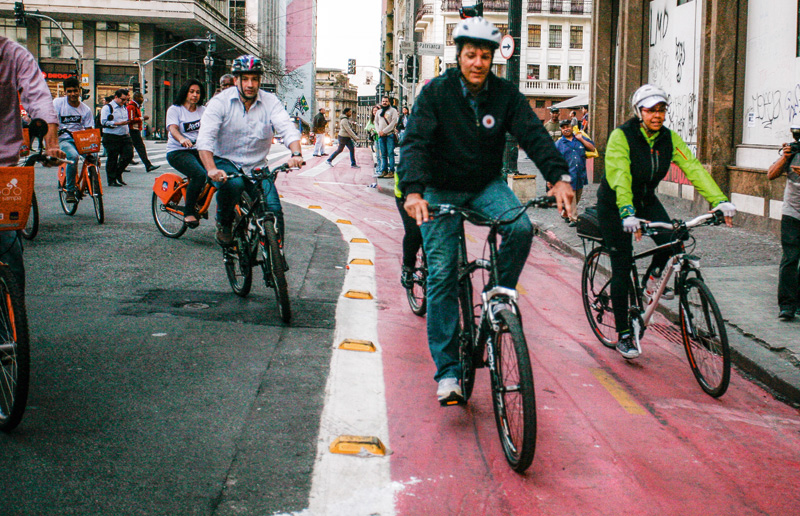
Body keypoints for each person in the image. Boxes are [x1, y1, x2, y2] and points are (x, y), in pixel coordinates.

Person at [399, 16, 573, 404]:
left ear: (493, 59)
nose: (478, 63)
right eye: (470, 55)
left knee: (521, 228)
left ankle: (498, 295)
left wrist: (558, 177)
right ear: (458, 56)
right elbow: (414, 144)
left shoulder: (505, 95)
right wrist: (413, 192)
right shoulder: (436, 93)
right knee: (442, 273)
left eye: (484, 56)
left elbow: (534, 135)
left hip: (483, 186)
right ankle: (447, 372)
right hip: (438, 189)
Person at [598, 84, 737, 359]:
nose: (657, 115)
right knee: (623, 265)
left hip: (647, 199)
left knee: (675, 240)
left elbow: (693, 168)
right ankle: (625, 334)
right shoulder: (621, 136)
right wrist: (627, 212)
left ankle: (652, 277)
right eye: (651, 110)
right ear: (639, 112)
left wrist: (719, 201)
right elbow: (620, 176)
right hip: (615, 204)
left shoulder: (669, 139)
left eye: (661, 110)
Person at [196, 55, 304, 246]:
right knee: (235, 184)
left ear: (260, 81)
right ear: (236, 80)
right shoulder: (219, 103)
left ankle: (276, 258)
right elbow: (205, 139)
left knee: (273, 209)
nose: (250, 84)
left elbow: (287, 128)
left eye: (254, 79)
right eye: (245, 79)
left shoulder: (270, 101)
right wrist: (211, 169)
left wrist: (296, 154)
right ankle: (224, 223)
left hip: (257, 166)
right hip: (225, 162)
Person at [0, 35, 65, 292]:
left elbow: (38, 96)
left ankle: (11, 325)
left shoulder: (13, 54)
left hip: (3, 163)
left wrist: (51, 144)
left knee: (10, 253)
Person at [767, 127, 800, 320]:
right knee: (790, 258)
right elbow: (771, 174)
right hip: (792, 213)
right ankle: (787, 305)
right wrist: (785, 158)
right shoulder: (792, 152)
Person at [165, 79, 207, 229]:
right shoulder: (175, 109)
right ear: (185, 92)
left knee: (216, 170)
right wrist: (182, 139)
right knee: (199, 174)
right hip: (178, 151)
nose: (195, 95)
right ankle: (189, 212)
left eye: (198, 92)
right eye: (192, 92)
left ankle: (200, 202)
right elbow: (173, 128)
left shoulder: (203, 110)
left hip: (199, 149)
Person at [53, 77, 95, 203]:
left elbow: (89, 129)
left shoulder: (85, 109)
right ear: (65, 92)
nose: (73, 94)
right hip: (64, 139)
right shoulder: (58, 103)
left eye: (75, 91)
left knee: (94, 156)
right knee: (73, 157)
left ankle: (90, 183)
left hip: (80, 139)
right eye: (69, 91)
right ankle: (70, 190)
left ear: (79, 91)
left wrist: (92, 143)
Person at [555, 118, 595, 225]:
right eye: (563, 128)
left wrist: (581, 139)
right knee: (571, 197)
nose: (566, 129)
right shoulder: (559, 144)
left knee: (577, 198)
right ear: (561, 130)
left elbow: (592, 148)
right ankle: (574, 218)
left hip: (580, 174)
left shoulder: (580, 138)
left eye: (567, 126)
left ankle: (565, 212)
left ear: (572, 127)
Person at [100, 88, 133, 186]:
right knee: (112, 158)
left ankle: (118, 173)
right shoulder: (108, 108)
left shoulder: (124, 107)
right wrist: (118, 123)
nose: (124, 102)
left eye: (126, 100)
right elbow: (104, 122)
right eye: (122, 99)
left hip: (124, 135)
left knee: (128, 155)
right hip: (111, 136)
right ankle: (111, 179)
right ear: (116, 97)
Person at [127, 91, 159, 172]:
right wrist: (142, 118)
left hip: (135, 130)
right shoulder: (131, 107)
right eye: (141, 97)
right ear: (136, 98)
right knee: (139, 148)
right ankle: (147, 165)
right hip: (132, 130)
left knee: (134, 148)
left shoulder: (135, 107)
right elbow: (131, 120)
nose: (142, 99)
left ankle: (147, 165)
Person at [376, 96, 398, 178]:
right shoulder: (379, 112)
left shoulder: (393, 111)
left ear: (389, 102)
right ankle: (384, 171)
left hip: (389, 135)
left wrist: (384, 131)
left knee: (390, 153)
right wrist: (379, 131)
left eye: (386, 101)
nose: (384, 103)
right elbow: (376, 122)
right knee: (383, 154)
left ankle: (391, 171)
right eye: (383, 101)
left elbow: (393, 122)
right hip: (381, 136)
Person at [365, 105, 381, 177]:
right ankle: (378, 170)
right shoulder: (372, 119)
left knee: (381, 155)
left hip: (381, 138)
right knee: (377, 155)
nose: (375, 112)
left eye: (376, 110)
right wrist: (372, 130)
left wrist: (374, 129)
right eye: (374, 110)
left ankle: (381, 170)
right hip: (375, 139)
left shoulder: (381, 118)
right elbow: (367, 127)